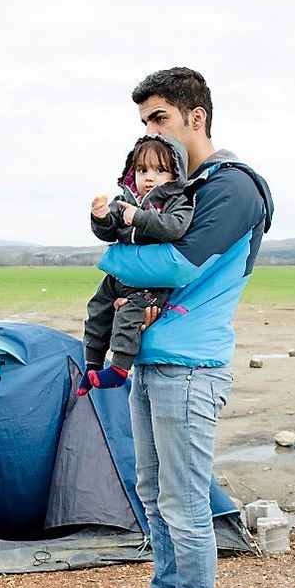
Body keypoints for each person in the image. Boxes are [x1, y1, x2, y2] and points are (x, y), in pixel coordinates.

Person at [97, 68, 273, 588]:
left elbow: (177, 263)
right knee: (153, 497)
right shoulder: (180, 190)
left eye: (159, 118)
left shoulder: (233, 186)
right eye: (144, 121)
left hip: (191, 368)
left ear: (195, 117)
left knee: (186, 505)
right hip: (151, 362)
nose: (150, 130)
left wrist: (111, 259)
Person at [80, 135, 193, 395]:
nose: (149, 177)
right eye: (142, 170)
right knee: (98, 309)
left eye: (159, 170)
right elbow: (108, 232)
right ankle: (92, 364)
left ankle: (118, 369)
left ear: (175, 174)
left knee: (129, 315)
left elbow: (175, 228)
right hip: (119, 276)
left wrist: (140, 218)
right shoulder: (124, 199)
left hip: (150, 281)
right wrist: (101, 217)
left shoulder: (177, 201)